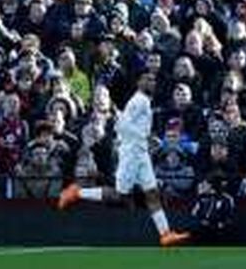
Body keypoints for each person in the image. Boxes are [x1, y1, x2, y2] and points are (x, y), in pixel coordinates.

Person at [55, 72, 190, 246]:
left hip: (141, 153)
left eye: (153, 80)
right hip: (131, 153)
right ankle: (76, 192)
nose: (152, 82)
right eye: (147, 79)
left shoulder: (145, 101)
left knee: (152, 194)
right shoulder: (137, 101)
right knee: (120, 195)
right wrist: (144, 136)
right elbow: (122, 125)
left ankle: (165, 234)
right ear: (139, 82)